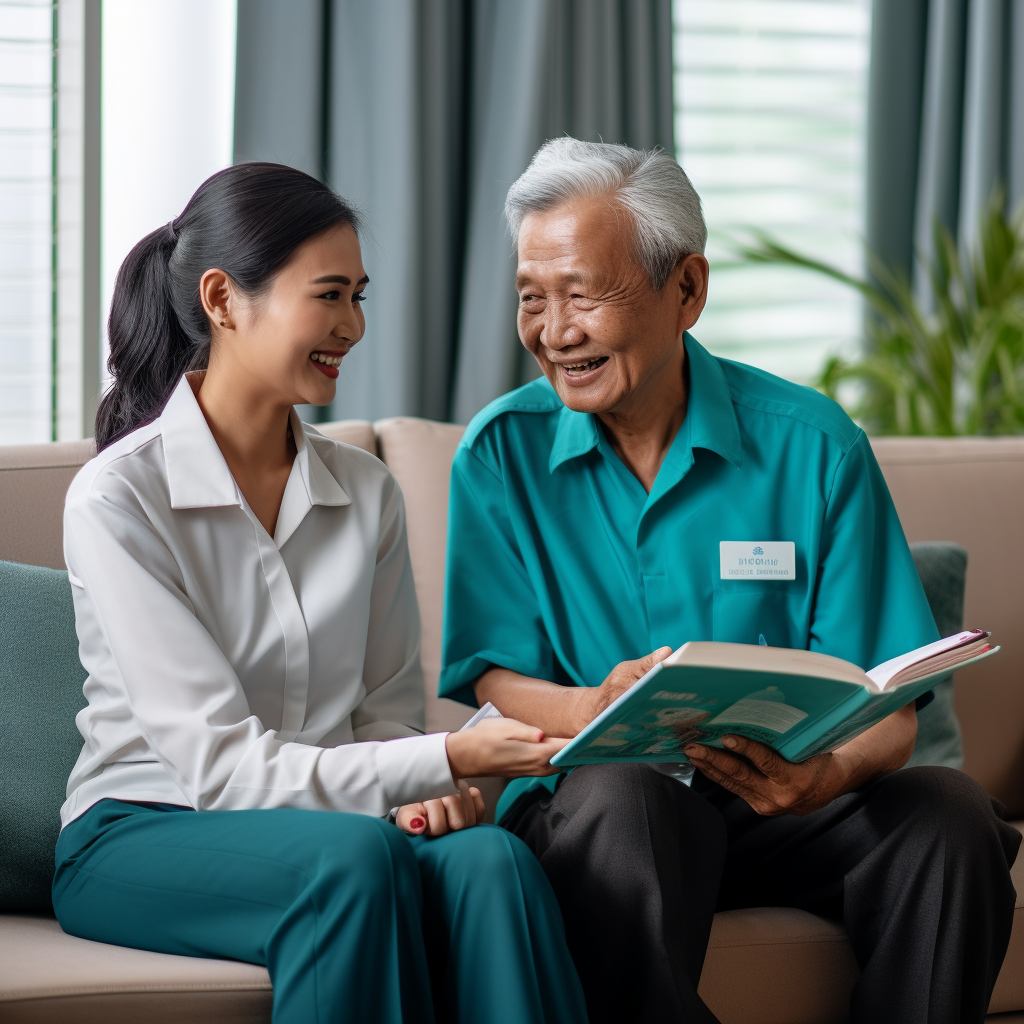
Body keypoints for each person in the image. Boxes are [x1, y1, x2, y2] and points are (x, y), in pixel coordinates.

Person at [438, 138, 1021, 1024]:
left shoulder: (814, 445)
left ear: (688, 290)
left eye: (582, 295)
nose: (554, 332)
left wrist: (823, 777)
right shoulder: (499, 453)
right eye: (533, 298)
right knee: (628, 795)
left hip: (780, 805)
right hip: (596, 812)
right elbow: (493, 676)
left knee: (952, 814)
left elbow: (893, 708)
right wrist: (593, 704)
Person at [53, 162, 588, 1024]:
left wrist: (427, 789)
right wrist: (450, 758)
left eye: (360, 298)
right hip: (143, 829)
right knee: (352, 861)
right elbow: (222, 768)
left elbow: (380, 718)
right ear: (225, 300)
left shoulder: (365, 491)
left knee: (493, 861)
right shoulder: (121, 498)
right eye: (330, 296)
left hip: (346, 827)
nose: (353, 326)